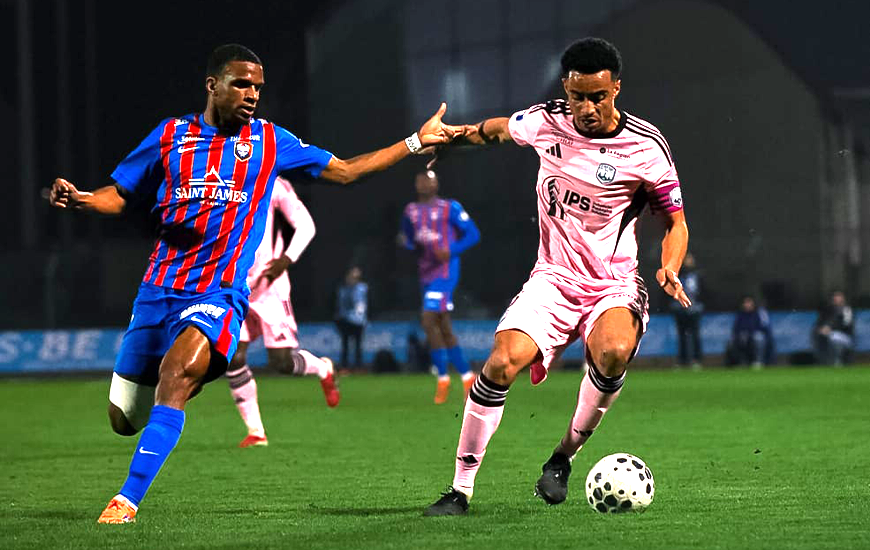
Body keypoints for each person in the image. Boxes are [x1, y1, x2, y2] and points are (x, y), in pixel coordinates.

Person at [48, 43, 458, 524]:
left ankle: (125, 502)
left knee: (176, 376)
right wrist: (82, 200)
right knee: (124, 419)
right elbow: (120, 195)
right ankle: (203, 372)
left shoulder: (268, 142)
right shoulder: (169, 137)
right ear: (212, 85)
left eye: (258, 87)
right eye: (241, 84)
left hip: (218, 293)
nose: (251, 95)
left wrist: (414, 141)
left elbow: (345, 171)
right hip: (156, 292)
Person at [423, 37, 691, 516]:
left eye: (597, 97)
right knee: (502, 362)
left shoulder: (645, 147)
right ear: (566, 91)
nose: (586, 108)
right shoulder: (546, 122)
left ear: (616, 90)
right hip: (553, 279)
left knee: (612, 352)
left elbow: (675, 219)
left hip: (613, 282)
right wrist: (453, 136)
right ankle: (459, 490)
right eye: (577, 97)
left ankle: (562, 458)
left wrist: (670, 265)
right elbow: (498, 130)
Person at [227, 176, 339, 450]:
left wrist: (286, 259)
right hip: (234, 285)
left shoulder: (272, 183)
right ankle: (256, 432)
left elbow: (306, 225)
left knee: (281, 362)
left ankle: (322, 368)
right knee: (233, 356)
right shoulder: (220, 181)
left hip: (269, 285)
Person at [399, 170, 480, 404]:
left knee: (427, 320)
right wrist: (406, 243)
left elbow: (473, 234)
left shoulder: (450, 207)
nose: (425, 182)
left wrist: (451, 250)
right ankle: (467, 377)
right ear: (416, 183)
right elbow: (409, 238)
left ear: (437, 183)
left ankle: (443, 378)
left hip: (445, 272)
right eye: (421, 179)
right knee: (442, 326)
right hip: (425, 272)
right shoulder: (410, 211)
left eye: (430, 179)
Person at [671, 252, 703, 367]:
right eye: (685, 259)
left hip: (694, 309)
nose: (687, 262)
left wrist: (700, 304)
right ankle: (682, 360)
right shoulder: (676, 275)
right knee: (682, 335)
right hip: (680, 310)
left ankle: (696, 359)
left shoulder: (697, 275)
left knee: (695, 335)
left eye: (689, 259)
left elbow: (703, 291)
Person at [334, 266, 368, 370]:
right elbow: (339, 305)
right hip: (346, 320)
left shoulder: (363, 288)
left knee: (358, 345)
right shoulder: (343, 290)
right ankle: (345, 366)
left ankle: (358, 366)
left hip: (359, 321)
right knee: (345, 345)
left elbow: (365, 304)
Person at [726, 296, 774, 367]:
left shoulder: (759, 313)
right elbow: (736, 329)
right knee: (731, 341)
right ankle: (738, 362)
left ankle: (758, 361)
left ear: (753, 304)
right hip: (743, 336)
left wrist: (752, 333)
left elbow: (764, 328)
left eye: (749, 303)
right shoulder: (740, 315)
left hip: (755, 335)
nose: (747, 305)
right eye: (746, 303)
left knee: (758, 337)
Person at [813, 290, 854, 366]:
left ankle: (837, 360)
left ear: (843, 299)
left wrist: (830, 329)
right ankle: (822, 361)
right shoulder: (828, 309)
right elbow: (820, 322)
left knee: (834, 337)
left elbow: (847, 325)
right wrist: (821, 329)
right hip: (829, 334)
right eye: (835, 297)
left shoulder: (846, 310)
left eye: (839, 297)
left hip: (845, 336)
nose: (837, 299)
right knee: (818, 335)